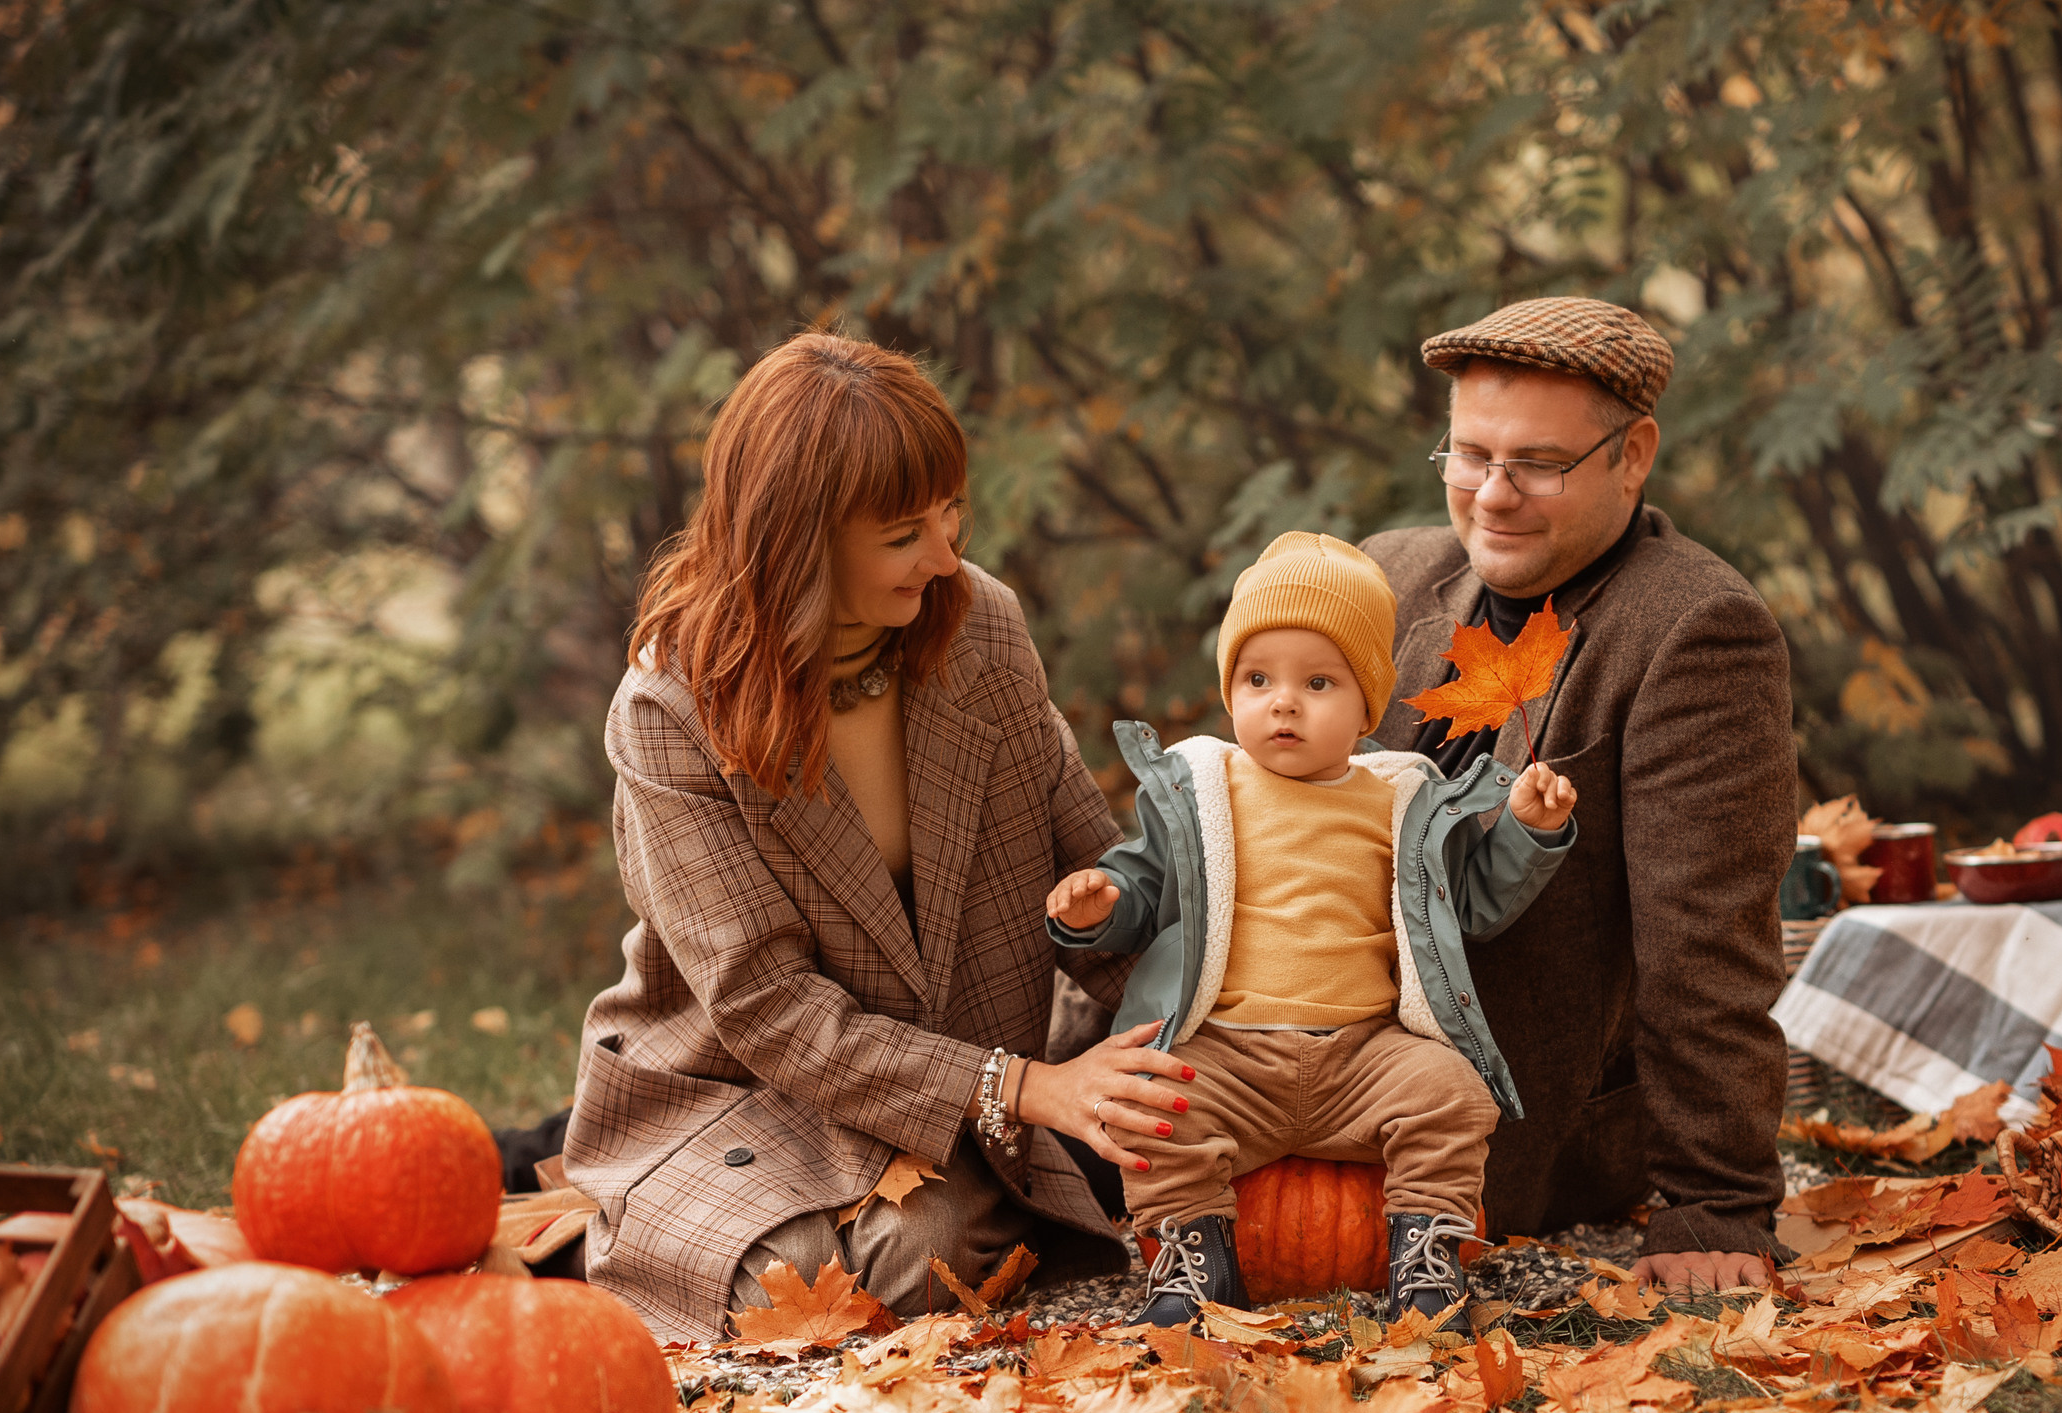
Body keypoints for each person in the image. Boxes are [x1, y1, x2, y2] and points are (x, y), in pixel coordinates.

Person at [563, 331, 1196, 1343]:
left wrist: (1196, 1057)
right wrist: (1027, 1089)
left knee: (927, 1239)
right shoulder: (670, 704)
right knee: (891, 1262)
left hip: (947, 1088)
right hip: (748, 1092)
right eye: (905, 533)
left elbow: (1090, 866)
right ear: (798, 540)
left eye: (951, 515)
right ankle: (624, 1218)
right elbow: (766, 1007)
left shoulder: (980, 627)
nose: (945, 556)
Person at [1362, 297, 1797, 1291]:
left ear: (1632, 453)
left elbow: (1708, 943)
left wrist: (1714, 1200)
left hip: (1513, 1129)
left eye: (1539, 464)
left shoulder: (1694, 630)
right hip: (1307, 1082)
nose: (1493, 494)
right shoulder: (1383, 576)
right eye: (1470, 455)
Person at [1045, 533, 1577, 1330]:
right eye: (1258, 678)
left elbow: (1466, 902)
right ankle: (1193, 1261)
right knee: (1150, 1103)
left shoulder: (1402, 801)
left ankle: (1426, 1258)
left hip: (1364, 1051)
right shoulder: (1201, 790)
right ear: (1230, 693)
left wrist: (1526, 834)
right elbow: (1146, 886)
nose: (1283, 701)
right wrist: (1103, 903)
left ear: (1368, 706)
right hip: (1228, 1051)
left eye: (1317, 681)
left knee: (1453, 1093)